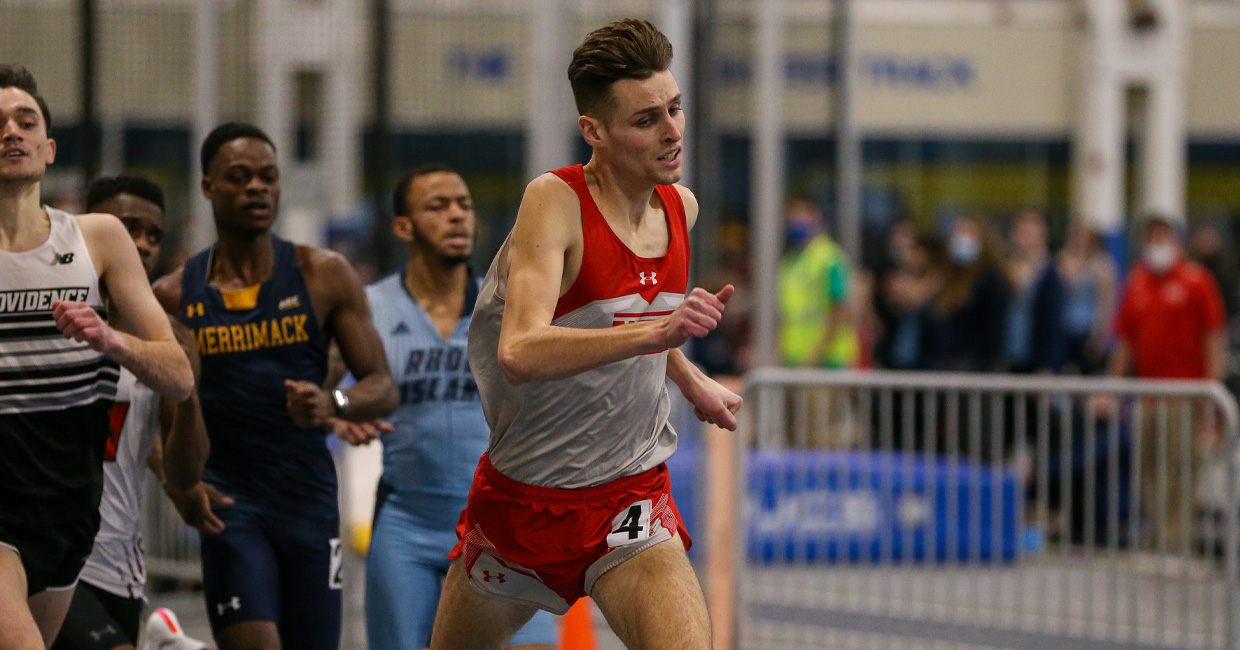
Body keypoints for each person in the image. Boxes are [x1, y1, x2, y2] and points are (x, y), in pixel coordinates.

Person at [429, 19, 743, 650]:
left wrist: (691, 376)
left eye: (675, 109)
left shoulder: (680, 207)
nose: (673, 131)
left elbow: (638, 321)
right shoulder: (555, 200)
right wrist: (660, 337)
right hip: (526, 506)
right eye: (647, 119)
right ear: (594, 131)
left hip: (631, 499)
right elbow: (520, 350)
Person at [150, 122, 398, 650]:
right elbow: (162, 431)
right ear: (208, 188)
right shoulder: (175, 297)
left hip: (308, 506)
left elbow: (381, 385)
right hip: (232, 508)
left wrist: (332, 402)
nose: (256, 188)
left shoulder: (323, 275)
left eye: (267, 177)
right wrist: (180, 487)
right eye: (238, 178)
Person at [0, 65, 193, 650]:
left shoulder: (98, 239)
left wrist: (112, 342)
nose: (11, 131)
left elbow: (179, 376)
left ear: (49, 146)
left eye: (25, 121)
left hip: (67, 507)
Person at [364, 165, 556, 650]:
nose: (457, 216)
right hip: (407, 525)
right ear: (403, 226)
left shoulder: (511, 305)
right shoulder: (370, 308)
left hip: (500, 524)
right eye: (438, 206)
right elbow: (324, 395)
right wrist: (341, 408)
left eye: (464, 205)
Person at [52, 176, 212, 650]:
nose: (140, 244)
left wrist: (187, 391)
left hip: (120, 567)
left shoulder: (166, 343)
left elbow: (184, 471)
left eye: (154, 235)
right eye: (127, 229)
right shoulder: (43, 318)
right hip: (51, 554)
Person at [1108, 215, 1227, 552]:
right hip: (1147, 396)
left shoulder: (1196, 281)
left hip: (1185, 396)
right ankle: (1158, 534)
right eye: (1152, 236)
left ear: (1177, 240)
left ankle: (1177, 539)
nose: (1157, 242)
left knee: (1181, 469)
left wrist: (1210, 391)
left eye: (1164, 235)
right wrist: (1112, 388)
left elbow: (1212, 337)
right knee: (1148, 468)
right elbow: (1125, 342)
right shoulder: (1136, 283)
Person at [778, 198, 859, 370]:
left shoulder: (829, 258)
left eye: (802, 215)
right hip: (794, 359)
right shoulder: (790, 261)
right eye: (792, 217)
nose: (796, 221)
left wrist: (817, 354)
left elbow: (840, 309)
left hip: (827, 361)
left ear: (816, 218)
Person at [934, 216, 1009, 372]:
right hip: (949, 364)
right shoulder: (947, 277)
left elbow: (994, 329)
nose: (962, 238)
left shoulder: (991, 279)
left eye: (969, 233)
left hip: (977, 368)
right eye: (958, 232)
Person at [1003, 210, 1066, 374]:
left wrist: (1048, 365)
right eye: (1022, 234)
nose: (1026, 241)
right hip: (1006, 357)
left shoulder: (1049, 274)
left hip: (1035, 359)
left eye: (1031, 235)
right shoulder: (1003, 270)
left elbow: (1053, 322)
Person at [1058, 222, 1117, 375]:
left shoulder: (1103, 263)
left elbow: (1107, 301)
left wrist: (1100, 333)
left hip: (1089, 330)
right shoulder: (1063, 259)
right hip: (1066, 329)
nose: (1080, 240)